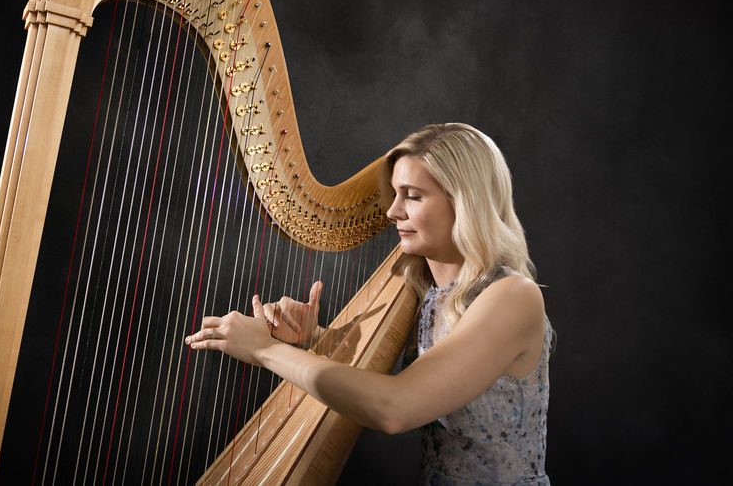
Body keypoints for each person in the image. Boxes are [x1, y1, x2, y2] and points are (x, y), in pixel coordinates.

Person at [185, 123, 552, 485]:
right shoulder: (431, 293)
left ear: (466, 204)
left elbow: (395, 407)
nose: (392, 211)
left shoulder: (512, 297)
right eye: (394, 194)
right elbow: (434, 377)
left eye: (412, 196)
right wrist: (314, 337)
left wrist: (263, 350)